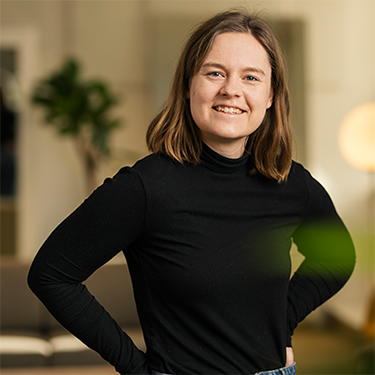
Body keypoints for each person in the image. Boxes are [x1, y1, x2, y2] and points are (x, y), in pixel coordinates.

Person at [28, 9, 356, 375]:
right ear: (188, 85)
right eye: (215, 72)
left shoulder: (291, 182)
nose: (231, 89)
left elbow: (337, 257)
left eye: (251, 77)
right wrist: (134, 366)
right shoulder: (145, 188)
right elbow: (51, 274)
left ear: (269, 96)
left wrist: (282, 325)